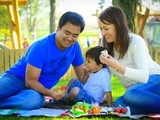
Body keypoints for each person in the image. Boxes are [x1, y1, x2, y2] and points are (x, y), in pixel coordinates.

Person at [0, 11, 85, 110]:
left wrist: (92, 74)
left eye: (75, 36)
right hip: (15, 79)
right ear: (58, 28)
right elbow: (30, 81)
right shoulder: (41, 46)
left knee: (33, 101)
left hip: (35, 91)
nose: (70, 38)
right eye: (67, 33)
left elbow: (82, 77)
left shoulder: (75, 47)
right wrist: (50, 93)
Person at [98, 6, 160, 115]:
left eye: (106, 28)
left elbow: (143, 76)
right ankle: (152, 108)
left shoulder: (136, 42)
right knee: (119, 104)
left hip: (154, 79)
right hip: (135, 90)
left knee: (130, 94)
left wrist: (117, 66)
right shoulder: (105, 45)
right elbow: (105, 75)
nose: (103, 33)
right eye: (101, 29)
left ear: (118, 25)